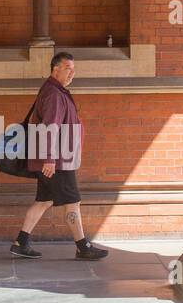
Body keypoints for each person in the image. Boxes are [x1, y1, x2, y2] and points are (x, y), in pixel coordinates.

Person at [10, 51, 109, 261]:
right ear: (56, 69)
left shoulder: (55, 90)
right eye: (68, 69)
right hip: (58, 162)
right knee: (72, 202)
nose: (72, 73)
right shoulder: (54, 94)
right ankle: (83, 247)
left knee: (43, 201)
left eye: (74, 70)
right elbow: (50, 128)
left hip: (54, 160)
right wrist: (49, 158)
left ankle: (21, 242)